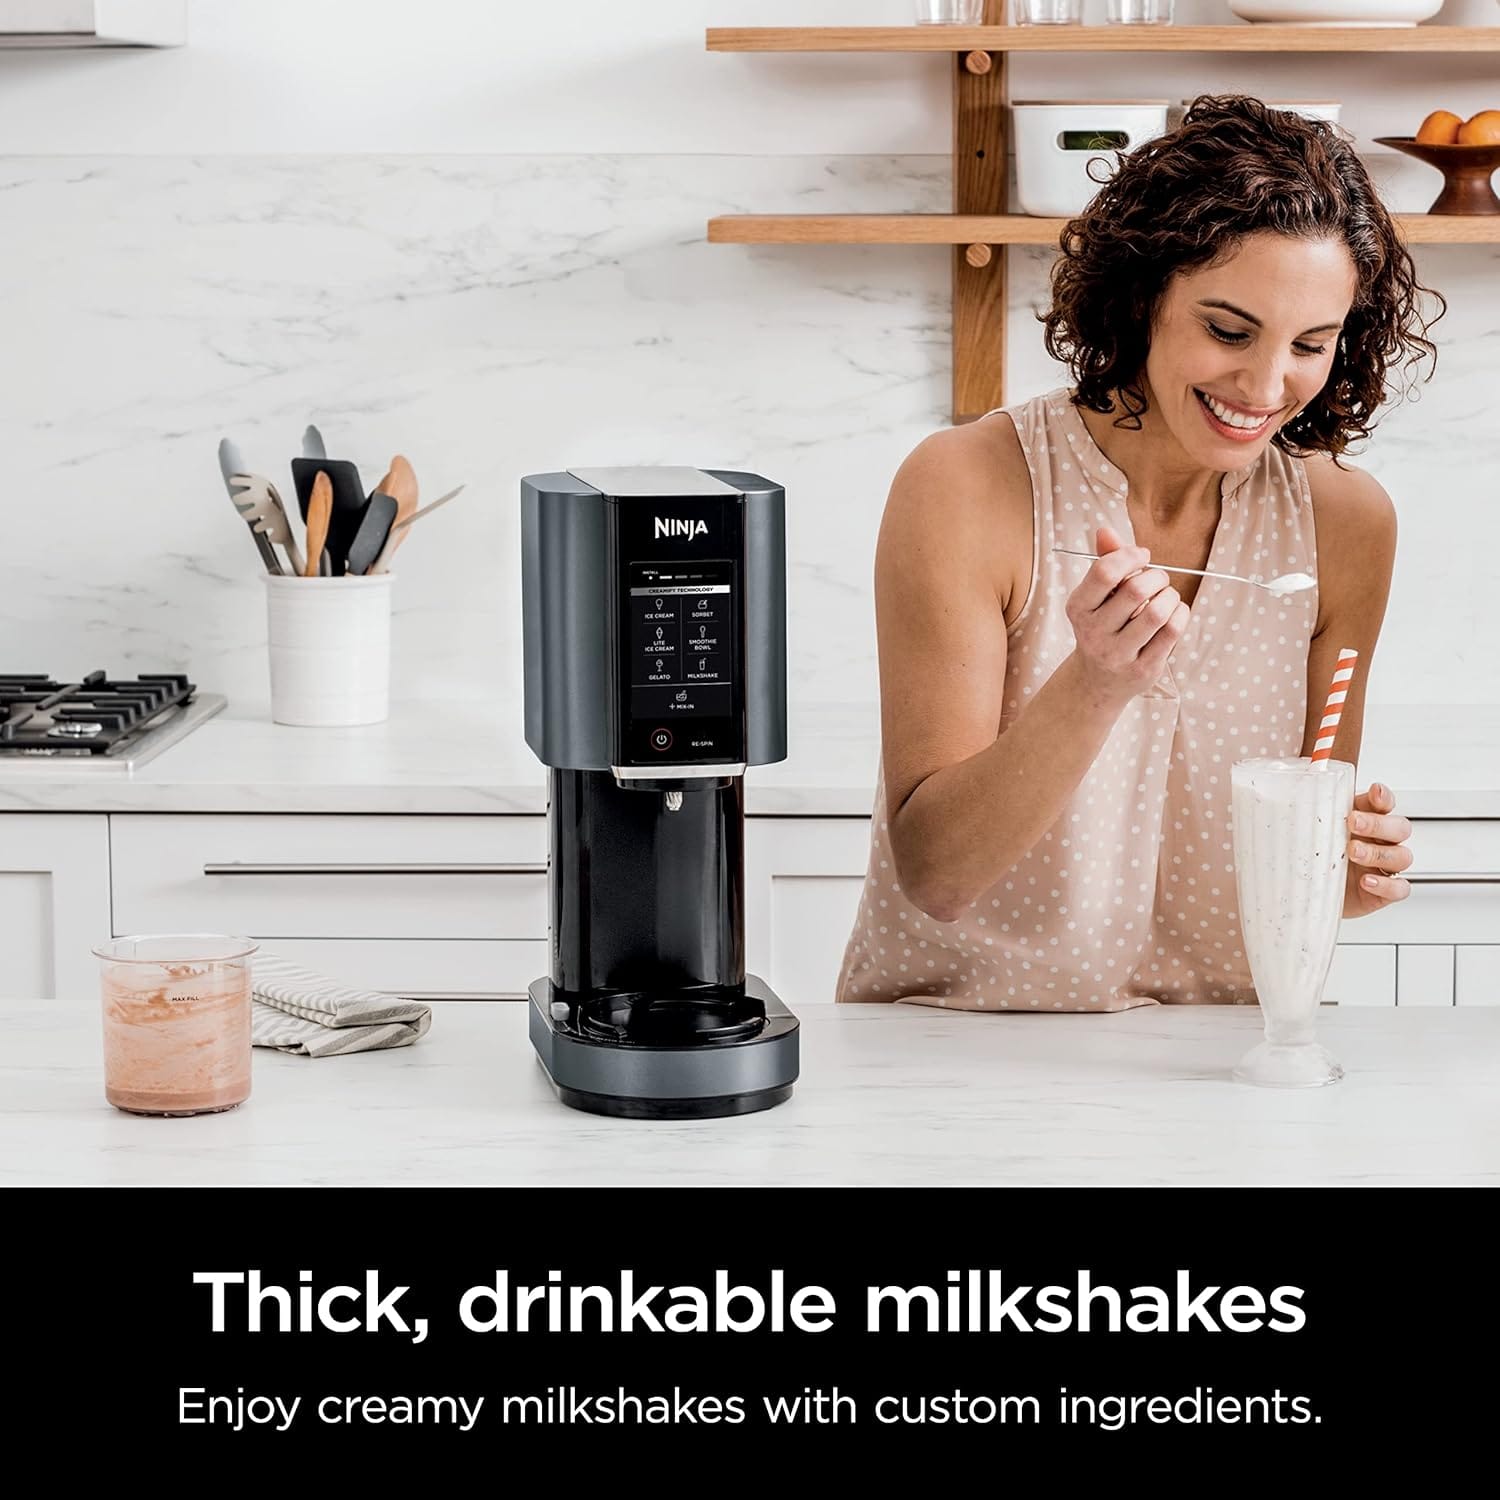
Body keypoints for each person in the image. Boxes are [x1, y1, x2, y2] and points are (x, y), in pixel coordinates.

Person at [835, 95, 1438, 1012]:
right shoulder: (969, 486)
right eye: (1229, 331)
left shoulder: (1348, 527)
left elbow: (1305, 853)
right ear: (1143, 295)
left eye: (1310, 344)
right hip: (962, 1055)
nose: (1267, 386)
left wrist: (1351, 870)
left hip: (1217, 1064)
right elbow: (938, 874)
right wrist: (1095, 683)